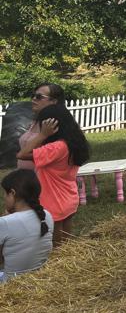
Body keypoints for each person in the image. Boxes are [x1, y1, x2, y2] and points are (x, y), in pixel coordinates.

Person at [16, 104, 89, 246]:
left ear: (51, 126)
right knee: (66, 240)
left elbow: (22, 154)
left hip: (53, 200)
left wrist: (42, 135)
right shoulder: (73, 142)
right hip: (69, 196)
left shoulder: (55, 148)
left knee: (56, 244)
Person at [0, 169, 54, 282]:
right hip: (39, 280)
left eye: (5, 193)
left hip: (11, 284)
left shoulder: (5, 223)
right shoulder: (46, 216)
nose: (4, 198)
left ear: (13, 193)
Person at [17, 83, 65, 170]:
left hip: (41, 179)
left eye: (39, 96)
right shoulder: (35, 122)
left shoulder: (55, 124)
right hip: (25, 179)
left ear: (54, 101)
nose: (34, 99)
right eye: (33, 96)